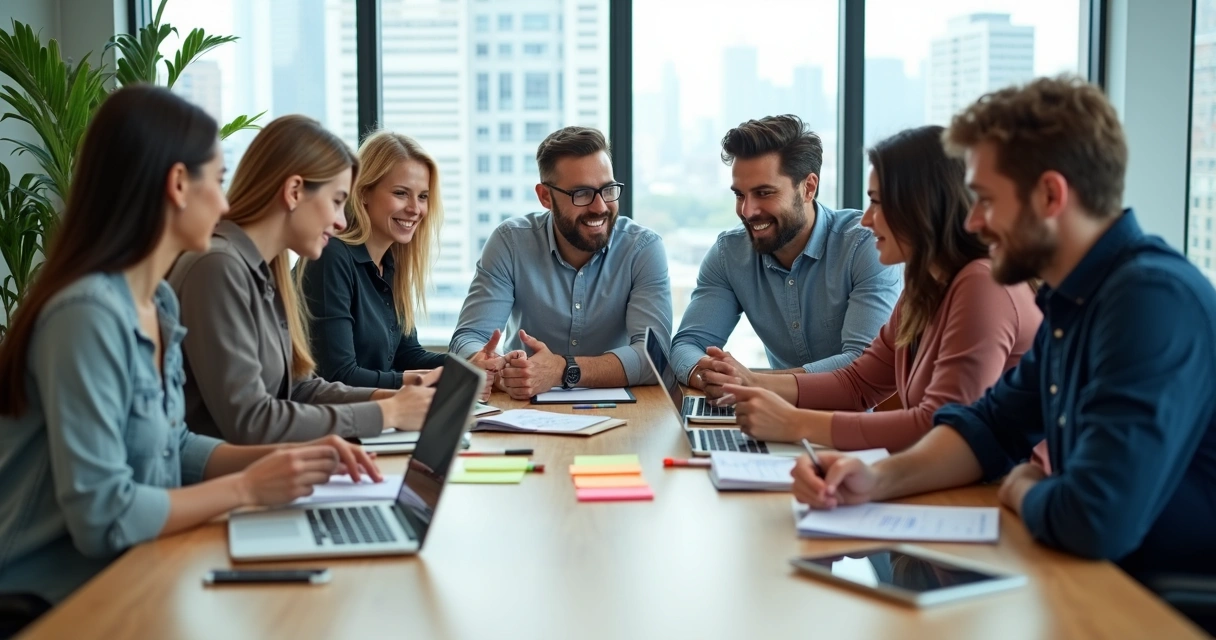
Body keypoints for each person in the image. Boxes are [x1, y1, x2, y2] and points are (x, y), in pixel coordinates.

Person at [791, 77, 1216, 587]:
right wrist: (874, 479)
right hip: (1086, 579)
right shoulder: (1074, 300)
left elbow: (1094, 519)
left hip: (1157, 606)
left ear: (1050, 195)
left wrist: (1022, 487)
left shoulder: (1148, 300)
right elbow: (989, 427)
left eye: (986, 200)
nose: (973, 222)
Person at [0, 86, 378, 605]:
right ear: (178, 184)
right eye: (218, 181)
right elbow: (103, 516)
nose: (226, 203)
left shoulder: (157, 301)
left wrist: (293, 459)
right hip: (49, 604)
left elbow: (172, 446)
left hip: (138, 571)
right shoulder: (85, 314)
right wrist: (248, 487)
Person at [710, 126, 1040, 452]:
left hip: (999, 492)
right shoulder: (926, 284)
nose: (866, 220)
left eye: (878, 203)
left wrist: (795, 423)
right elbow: (859, 383)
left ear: (923, 206)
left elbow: (942, 427)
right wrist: (751, 382)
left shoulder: (982, 284)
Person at [169, 116, 435, 444]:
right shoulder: (218, 267)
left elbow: (299, 388)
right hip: (232, 482)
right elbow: (250, 420)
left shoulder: (266, 268)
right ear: (294, 191)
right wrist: (387, 413)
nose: (341, 222)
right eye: (338, 201)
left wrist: (397, 401)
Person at [669, 115, 901, 391]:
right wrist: (705, 374)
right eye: (740, 195)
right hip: (774, 413)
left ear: (808, 188)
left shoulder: (864, 246)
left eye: (764, 193)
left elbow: (863, 364)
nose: (747, 211)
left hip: (857, 423)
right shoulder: (728, 255)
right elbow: (687, 345)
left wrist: (753, 383)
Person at [449, 126, 673, 399]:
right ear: (545, 196)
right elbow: (468, 336)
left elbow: (653, 358)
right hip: (522, 408)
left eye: (608, 190)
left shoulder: (642, 249)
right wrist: (488, 364)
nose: (600, 207)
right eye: (581, 194)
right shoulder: (510, 243)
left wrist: (564, 369)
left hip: (626, 413)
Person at [297, 131, 500, 399]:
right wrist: (440, 379)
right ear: (364, 193)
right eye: (401, 193)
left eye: (423, 196)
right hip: (334, 423)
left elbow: (406, 355)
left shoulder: (391, 263)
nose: (415, 209)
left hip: (379, 417)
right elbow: (339, 375)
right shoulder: (330, 256)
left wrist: (471, 367)